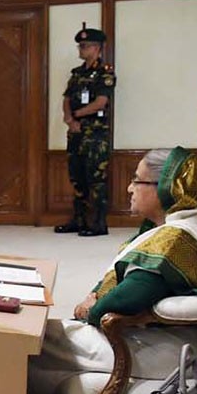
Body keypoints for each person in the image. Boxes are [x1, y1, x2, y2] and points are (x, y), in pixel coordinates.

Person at [30, 147, 197, 394]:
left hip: (167, 350)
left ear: (167, 188)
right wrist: (95, 294)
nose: (129, 188)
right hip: (157, 340)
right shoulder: (176, 230)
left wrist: (90, 309)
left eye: (137, 180)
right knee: (42, 340)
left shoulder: (176, 240)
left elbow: (128, 298)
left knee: (33, 342)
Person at [55, 24, 116, 237]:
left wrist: (77, 116)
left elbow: (100, 102)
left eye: (84, 45)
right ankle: (78, 219)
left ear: (96, 47)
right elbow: (66, 99)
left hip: (95, 134)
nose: (80, 49)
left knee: (96, 179)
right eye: (79, 45)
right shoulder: (77, 73)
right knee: (77, 176)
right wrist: (69, 119)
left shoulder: (104, 73)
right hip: (76, 133)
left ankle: (98, 223)